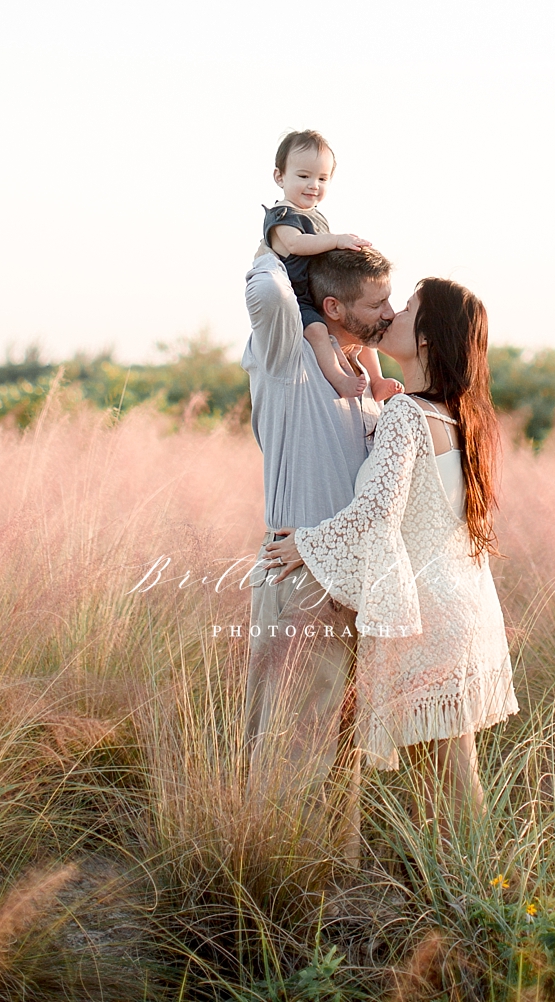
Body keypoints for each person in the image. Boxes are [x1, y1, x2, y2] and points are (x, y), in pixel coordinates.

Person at [263, 278, 518, 825]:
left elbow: (376, 515)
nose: (393, 315)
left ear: (426, 338)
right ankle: (470, 887)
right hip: (467, 610)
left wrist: (306, 545)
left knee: (447, 774)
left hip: (427, 618)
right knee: (451, 771)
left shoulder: (406, 417)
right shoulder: (457, 416)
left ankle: (475, 893)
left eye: (406, 308)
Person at [241, 234, 395, 814]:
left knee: (341, 747)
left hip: (354, 576)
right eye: (377, 303)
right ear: (333, 307)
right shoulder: (291, 358)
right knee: (289, 747)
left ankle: (336, 881)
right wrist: (292, 234)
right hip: (298, 568)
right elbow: (268, 292)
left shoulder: (360, 372)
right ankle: (279, 882)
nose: (389, 312)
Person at [262, 127, 387, 398]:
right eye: (304, 176)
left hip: (323, 292)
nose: (313, 185)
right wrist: (337, 240)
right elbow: (296, 244)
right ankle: (339, 380)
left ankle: (376, 379)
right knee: (318, 332)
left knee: (358, 324)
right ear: (279, 176)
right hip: (300, 299)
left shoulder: (317, 216)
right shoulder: (282, 215)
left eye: (322, 178)